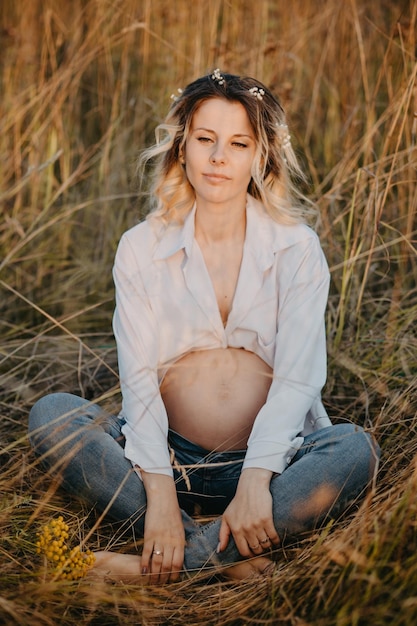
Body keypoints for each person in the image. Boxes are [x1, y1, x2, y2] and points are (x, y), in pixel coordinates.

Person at [28, 69, 380, 584]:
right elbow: (139, 379)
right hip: (163, 462)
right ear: (182, 147)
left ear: (260, 157)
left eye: (238, 143)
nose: (219, 158)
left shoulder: (295, 248)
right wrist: (162, 497)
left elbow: (300, 377)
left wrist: (258, 478)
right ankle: (221, 549)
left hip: (272, 464)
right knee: (53, 415)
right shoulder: (142, 248)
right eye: (205, 140)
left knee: (355, 450)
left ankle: (160, 562)